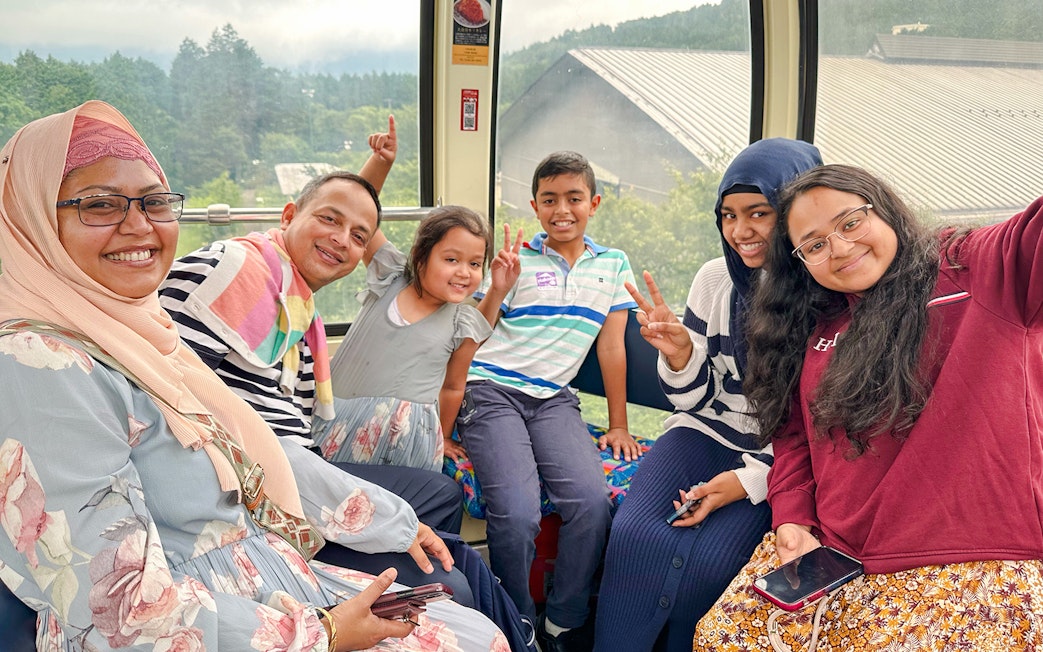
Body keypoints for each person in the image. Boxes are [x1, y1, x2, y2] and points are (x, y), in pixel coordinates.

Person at [0, 100, 509, 650]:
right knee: (464, 607)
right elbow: (120, 613)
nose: (137, 225)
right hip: (197, 615)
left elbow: (242, 444)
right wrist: (329, 632)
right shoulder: (40, 365)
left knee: (463, 598)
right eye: (99, 205)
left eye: (154, 202)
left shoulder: (139, 332)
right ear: (32, 220)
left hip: (249, 569)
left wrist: (390, 522)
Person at [694, 164, 1043, 650]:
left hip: (969, 559)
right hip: (835, 558)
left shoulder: (976, 272)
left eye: (850, 222)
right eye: (814, 245)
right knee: (720, 638)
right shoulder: (814, 321)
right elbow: (793, 436)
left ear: (885, 210)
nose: (838, 247)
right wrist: (792, 516)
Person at [158, 121, 465, 537]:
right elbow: (168, 395)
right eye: (327, 220)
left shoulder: (298, 306)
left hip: (291, 458)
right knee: (450, 565)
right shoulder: (234, 271)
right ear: (289, 215)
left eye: (357, 237)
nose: (342, 240)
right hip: (257, 486)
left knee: (443, 495)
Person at [594, 139, 822, 652]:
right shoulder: (715, 280)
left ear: (796, 207)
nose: (740, 231)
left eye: (759, 212)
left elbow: (816, 433)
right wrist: (679, 356)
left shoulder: (824, 293)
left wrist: (745, 482)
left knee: (710, 565)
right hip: (702, 432)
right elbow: (692, 403)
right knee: (631, 536)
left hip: (779, 460)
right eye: (728, 215)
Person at [454, 150, 642, 652]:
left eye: (573, 198)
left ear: (593, 203)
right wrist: (498, 286)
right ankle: (515, 619)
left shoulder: (613, 264)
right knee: (516, 514)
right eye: (550, 199)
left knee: (592, 503)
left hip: (555, 399)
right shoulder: (518, 259)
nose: (562, 209)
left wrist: (618, 424)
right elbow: (471, 336)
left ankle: (564, 618)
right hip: (490, 393)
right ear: (534, 206)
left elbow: (611, 346)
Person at [314, 206, 522, 471]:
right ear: (419, 257)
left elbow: (453, 387)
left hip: (405, 443)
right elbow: (360, 211)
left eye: (474, 264)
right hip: (337, 422)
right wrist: (381, 161)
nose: (464, 272)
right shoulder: (391, 277)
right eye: (451, 260)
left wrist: (444, 437)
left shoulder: (462, 323)